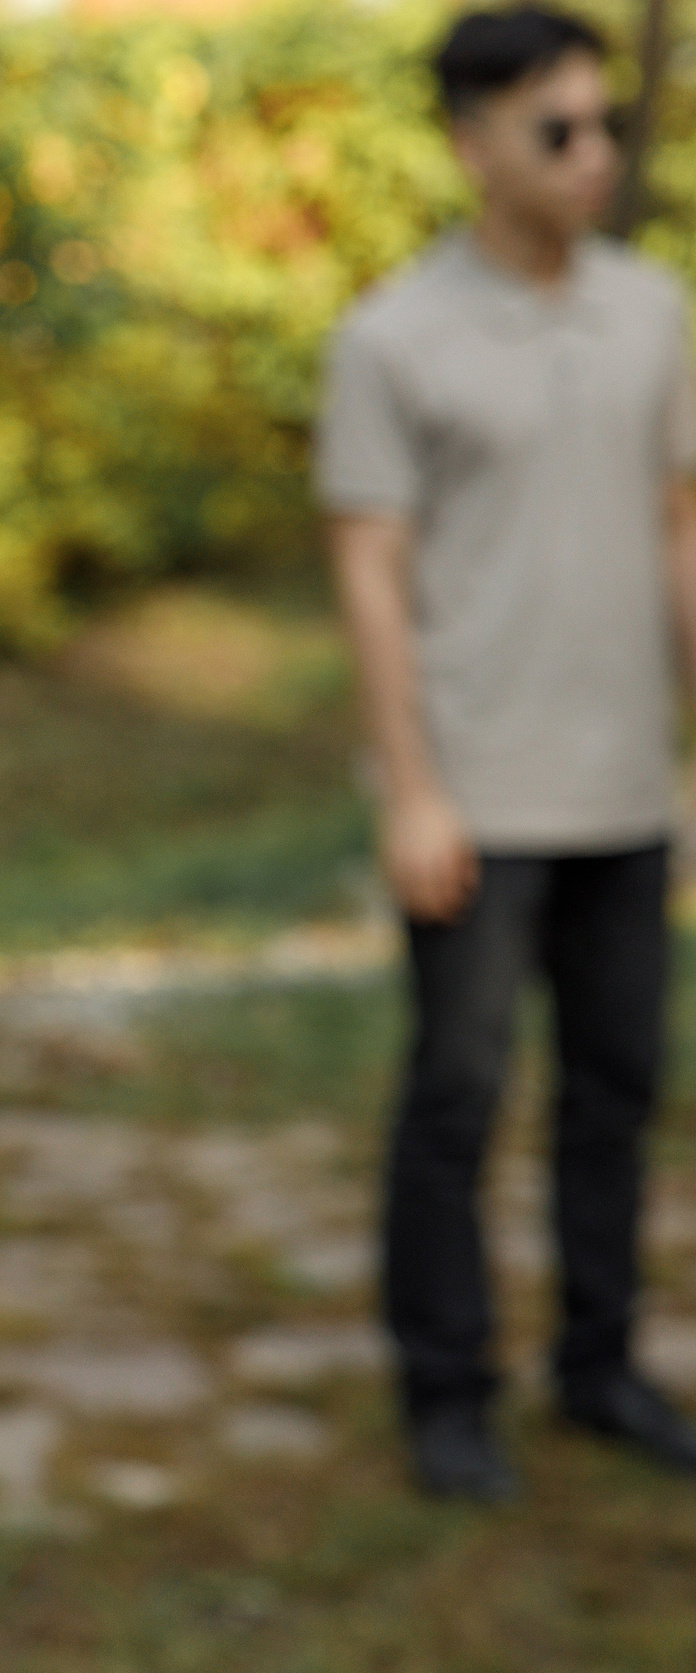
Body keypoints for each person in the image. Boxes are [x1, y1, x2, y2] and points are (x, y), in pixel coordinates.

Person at [318, 1, 696, 1504]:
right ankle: (448, 1386)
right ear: (474, 144)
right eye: (559, 129)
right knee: (458, 1098)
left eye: (603, 123)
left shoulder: (657, 310)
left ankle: (600, 1365)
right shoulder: (389, 336)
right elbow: (369, 570)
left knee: (618, 1087)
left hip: (624, 790)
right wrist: (413, 787)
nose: (593, 153)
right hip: (473, 795)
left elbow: (679, 534)